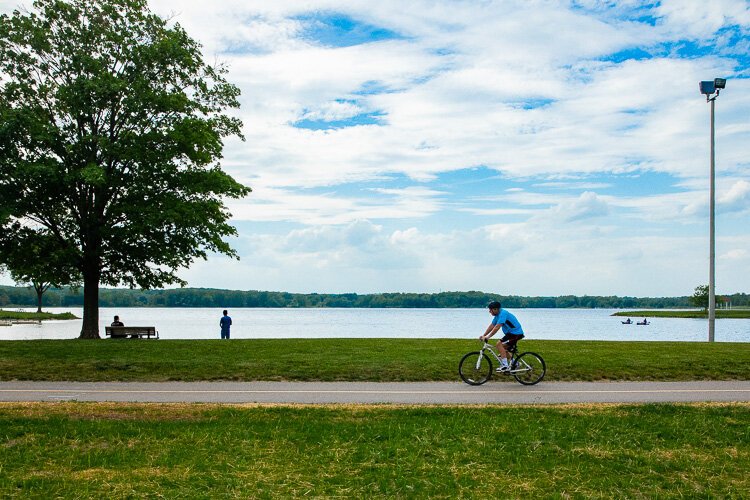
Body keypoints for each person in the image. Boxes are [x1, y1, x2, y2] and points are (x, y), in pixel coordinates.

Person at [479, 301, 525, 373]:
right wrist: (484, 335)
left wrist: (488, 337)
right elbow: (492, 325)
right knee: (502, 349)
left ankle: (505, 365)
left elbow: (497, 327)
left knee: (498, 344)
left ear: (495, 309)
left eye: (490, 310)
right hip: (510, 333)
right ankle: (516, 364)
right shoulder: (497, 315)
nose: (489, 312)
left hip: (516, 333)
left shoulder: (503, 313)